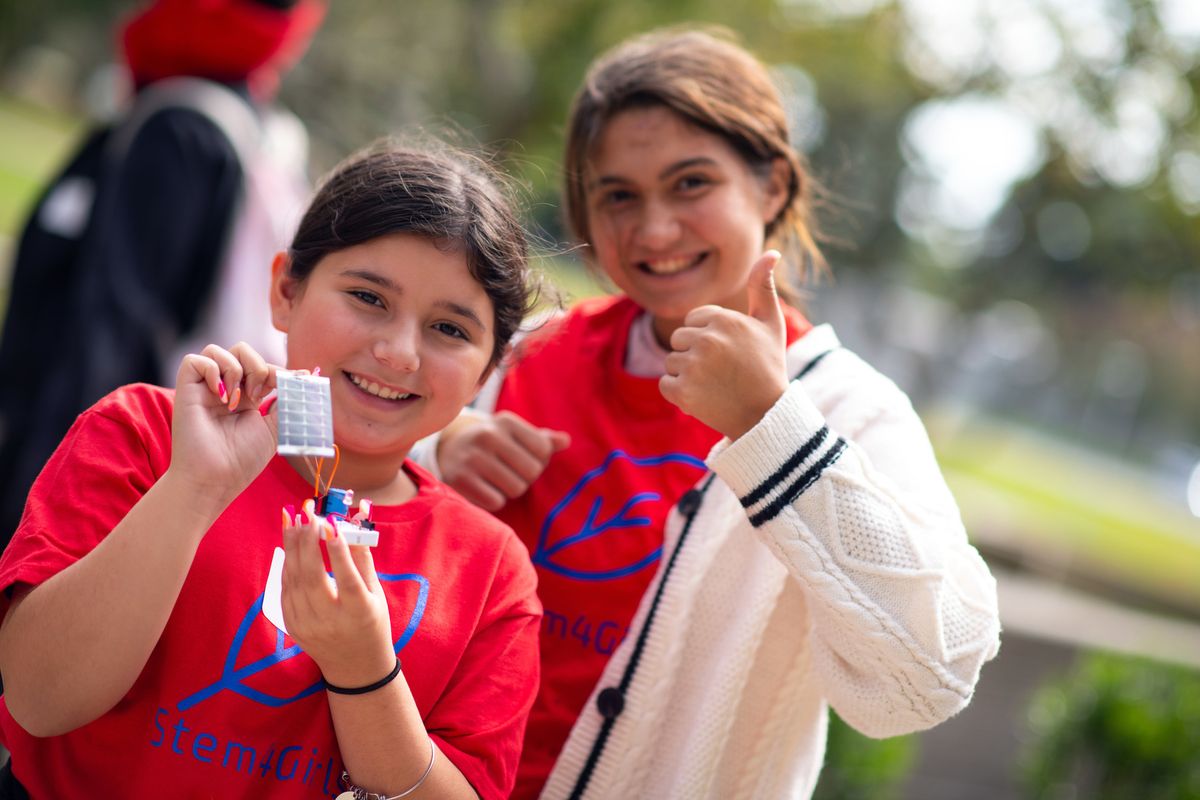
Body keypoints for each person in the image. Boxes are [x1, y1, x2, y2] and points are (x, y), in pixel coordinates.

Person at [426, 27, 1002, 799]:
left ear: (773, 186)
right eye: (618, 196)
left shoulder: (850, 409)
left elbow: (932, 678)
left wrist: (772, 427)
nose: (655, 231)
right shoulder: (526, 350)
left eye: (691, 183)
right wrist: (440, 449)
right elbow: (363, 505)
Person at [0, 142, 544, 799]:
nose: (398, 353)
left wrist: (363, 669)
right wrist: (193, 488)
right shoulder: (145, 434)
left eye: (450, 330)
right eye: (369, 297)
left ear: (490, 367)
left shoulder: (490, 571)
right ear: (285, 290)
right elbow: (40, 698)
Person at [0, 0, 323, 551]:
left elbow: (112, 329)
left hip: (100, 466)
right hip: (169, 455)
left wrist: (32, 513)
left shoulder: (180, 129)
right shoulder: (259, 124)